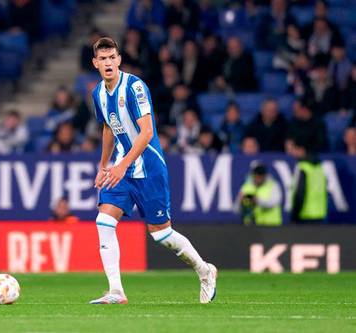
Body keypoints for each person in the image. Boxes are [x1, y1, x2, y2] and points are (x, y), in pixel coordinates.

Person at [89, 37, 216, 305]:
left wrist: (122, 165)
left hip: (148, 168)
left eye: (112, 57)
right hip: (122, 168)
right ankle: (116, 291)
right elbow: (108, 128)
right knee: (104, 221)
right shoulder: (98, 93)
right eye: (103, 59)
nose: (108, 62)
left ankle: (205, 271)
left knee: (161, 235)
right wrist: (104, 165)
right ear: (95, 63)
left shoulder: (134, 87)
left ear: (119, 59)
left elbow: (146, 132)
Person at [289, 139, 328, 224]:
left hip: (305, 215)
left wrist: (294, 216)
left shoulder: (302, 168)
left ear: (301, 150)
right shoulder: (319, 168)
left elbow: (300, 193)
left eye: (295, 149)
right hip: (320, 214)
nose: (293, 153)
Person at [237, 162, 282, 226]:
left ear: (265, 175)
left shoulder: (273, 185)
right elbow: (237, 208)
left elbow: (274, 202)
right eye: (257, 175)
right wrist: (241, 202)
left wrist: (258, 201)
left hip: (271, 225)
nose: (258, 177)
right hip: (251, 226)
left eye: (261, 175)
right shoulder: (246, 187)